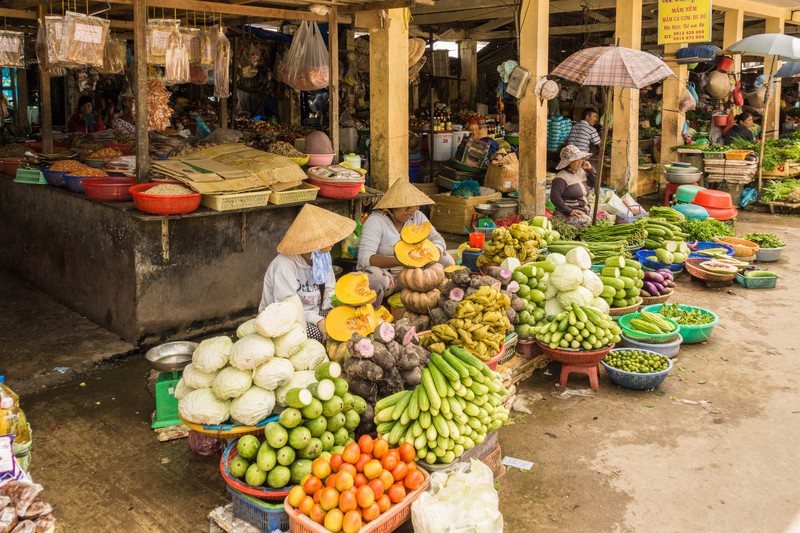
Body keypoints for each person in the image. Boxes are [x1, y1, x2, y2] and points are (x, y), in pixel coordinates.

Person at [259, 204, 355, 342]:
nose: (333, 241)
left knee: (345, 323)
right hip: (283, 320)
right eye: (326, 237)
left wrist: (343, 306)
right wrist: (319, 322)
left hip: (313, 313)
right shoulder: (284, 265)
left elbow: (329, 293)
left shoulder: (322, 257)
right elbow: (287, 311)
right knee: (315, 335)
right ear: (313, 242)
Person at [357, 179, 455, 305]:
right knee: (373, 277)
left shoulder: (418, 217)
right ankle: (375, 313)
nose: (411, 210)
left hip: (418, 276)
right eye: (405, 206)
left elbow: (438, 239)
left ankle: (446, 302)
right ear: (392, 206)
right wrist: (400, 260)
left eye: (414, 205)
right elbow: (364, 259)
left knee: (446, 259)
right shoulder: (375, 222)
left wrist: (430, 253)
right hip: (390, 276)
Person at [550, 144, 596, 226]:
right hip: (569, 215)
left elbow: (594, 184)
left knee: (604, 217)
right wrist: (569, 211)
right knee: (588, 223)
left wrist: (590, 170)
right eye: (576, 159)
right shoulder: (561, 177)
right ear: (568, 163)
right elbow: (555, 197)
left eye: (580, 159)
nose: (580, 161)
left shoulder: (581, 172)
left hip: (584, 211)